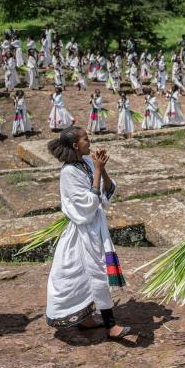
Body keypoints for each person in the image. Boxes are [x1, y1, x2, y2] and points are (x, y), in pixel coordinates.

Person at [45, 127, 130, 339]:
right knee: (97, 273)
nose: (89, 142)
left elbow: (106, 191)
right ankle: (111, 326)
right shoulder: (68, 173)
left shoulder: (87, 164)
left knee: (88, 275)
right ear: (75, 145)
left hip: (95, 228)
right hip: (83, 231)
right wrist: (98, 171)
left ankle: (87, 318)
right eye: (85, 139)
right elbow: (86, 205)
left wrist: (103, 168)